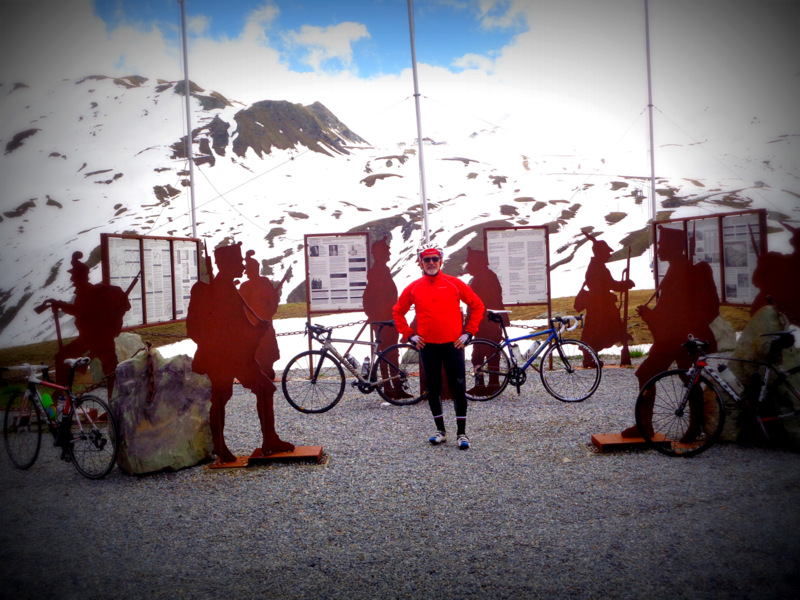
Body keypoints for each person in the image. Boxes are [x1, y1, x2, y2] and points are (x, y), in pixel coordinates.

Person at [187, 242, 294, 463]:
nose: (243, 266)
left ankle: (270, 439)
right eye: (238, 262)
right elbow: (200, 329)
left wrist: (256, 330)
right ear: (227, 264)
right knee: (221, 397)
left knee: (264, 388)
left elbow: (238, 325)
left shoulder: (229, 289)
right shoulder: (213, 291)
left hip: (239, 356)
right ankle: (220, 446)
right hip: (221, 358)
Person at [621, 226, 720, 438]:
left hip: (681, 339)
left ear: (674, 247)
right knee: (679, 377)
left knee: (677, 376)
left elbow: (680, 311)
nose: (658, 250)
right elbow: (670, 309)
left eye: (661, 245)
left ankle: (658, 426)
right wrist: (651, 315)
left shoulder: (683, 271)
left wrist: (653, 316)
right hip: (674, 338)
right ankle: (658, 426)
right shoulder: (677, 269)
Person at [392, 242, 485, 449]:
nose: (431, 263)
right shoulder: (414, 287)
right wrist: (409, 335)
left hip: (454, 345)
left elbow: (478, 305)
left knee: (458, 388)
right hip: (428, 347)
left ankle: (462, 433)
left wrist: (469, 333)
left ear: (441, 261)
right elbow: (398, 311)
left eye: (435, 259)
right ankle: (440, 430)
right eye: (427, 260)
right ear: (421, 263)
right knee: (433, 388)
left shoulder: (454, 283)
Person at [40, 251, 131, 395]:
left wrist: (60, 305)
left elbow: (79, 311)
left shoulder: (86, 292)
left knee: (62, 358)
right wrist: (60, 304)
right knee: (110, 370)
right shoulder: (88, 290)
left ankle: (61, 394)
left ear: (80, 276)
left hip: (90, 338)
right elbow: (80, 310)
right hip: (102, 338)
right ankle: (114, 400)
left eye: (73, 275)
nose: (71, 278)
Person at [575, 237, 634, 367]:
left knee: (597, 331)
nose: (609, 255)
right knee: (595, 331)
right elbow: (610, 284)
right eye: (606, 252)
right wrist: (625, 285)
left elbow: (608, 285)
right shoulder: (598, 268)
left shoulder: (597, 266)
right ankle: (589, 358)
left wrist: (623, 285)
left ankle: (591, 357)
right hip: (599, 306)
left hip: (600, 305)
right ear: (600, 252)